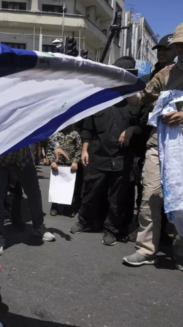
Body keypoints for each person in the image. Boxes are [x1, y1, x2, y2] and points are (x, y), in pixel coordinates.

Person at [123, 23, 183, 267]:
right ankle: (146, 249)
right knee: (150, 196)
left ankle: (180, 250)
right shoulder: (166, 74)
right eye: (178, 45)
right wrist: (122, 88)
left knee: (181, 199)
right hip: (158, 145)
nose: (181, 49)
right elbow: (141, 98)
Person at [71, 57, 144, 246]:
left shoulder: (136, 101)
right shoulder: (101, 99)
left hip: (123, 159)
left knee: (118, 199)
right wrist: (84, 150)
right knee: (90, 192)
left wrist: (132, 129)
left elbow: (144, 127)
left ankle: (111, 230)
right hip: (98, 156)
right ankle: (84, 222)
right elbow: (88, 129)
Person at [0, 146, 56, 257]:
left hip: (22, 157)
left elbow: (40, 129)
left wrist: (55, 146)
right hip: (0, 157)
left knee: (34, 192)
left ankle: (38, 227)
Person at [47, 125, 82, 217]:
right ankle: (54, 206)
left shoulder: (75, 133)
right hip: (57, 164)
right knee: (56, 186)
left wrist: (75, 161)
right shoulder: (55, 133)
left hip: (70, 165)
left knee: (69, 188)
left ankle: (68, 208)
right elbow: (50, 149)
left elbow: (79, 149)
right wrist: (52, 161)